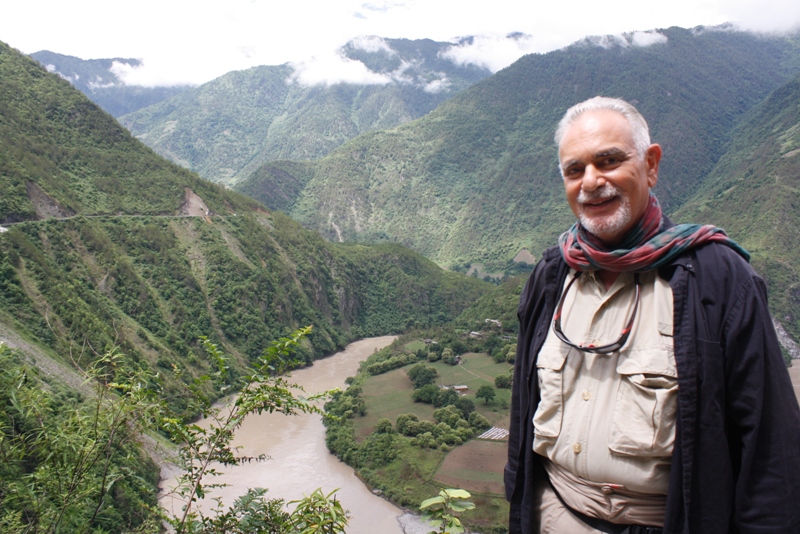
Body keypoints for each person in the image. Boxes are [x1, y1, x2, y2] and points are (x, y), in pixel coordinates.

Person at [505, 96, 800, 533]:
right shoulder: (553, 275)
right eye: (575, 169)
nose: (591, 182)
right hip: (553, 514)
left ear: (651, 164)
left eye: (608, 160)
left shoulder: (716, 279)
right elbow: (522, 407)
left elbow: (770, 442)